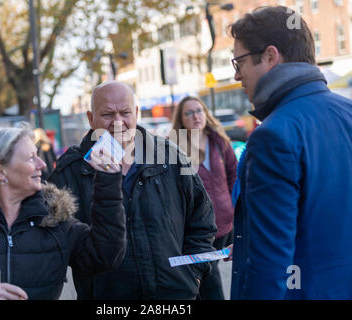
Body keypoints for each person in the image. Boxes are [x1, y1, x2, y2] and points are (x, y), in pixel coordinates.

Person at [48, 80, 216, 300]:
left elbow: (202, 222)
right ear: (91, 118)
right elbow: (58, 240)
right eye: (108, 114)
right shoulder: (69, 171)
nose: (118, 122)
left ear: (136, 113)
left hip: (174, 297)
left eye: (125, 112)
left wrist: (193, 274)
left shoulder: (170, 157)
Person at [227, 5, 352, 299]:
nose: (236, 76)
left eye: (239, 62)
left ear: (270, 56)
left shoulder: (273, 135)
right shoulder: (348, 113)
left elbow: (269, 265)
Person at [0, 124, 126, 300]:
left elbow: (104, 255)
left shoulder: (55, 221)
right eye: (31, 158)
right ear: (0, 170)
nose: (42, 165)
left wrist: (108, 186)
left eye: (38, 155)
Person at [170, 96, 237, 300]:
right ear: (181, 119)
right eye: (189, 112)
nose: (196, 116)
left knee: (203, 280)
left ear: (205, 113)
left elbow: (234, 175)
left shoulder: (219, 141)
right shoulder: (174, 147)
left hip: (225, 225)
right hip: (197, 229)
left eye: (199, 110)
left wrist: (238, 210)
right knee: (209, 281)